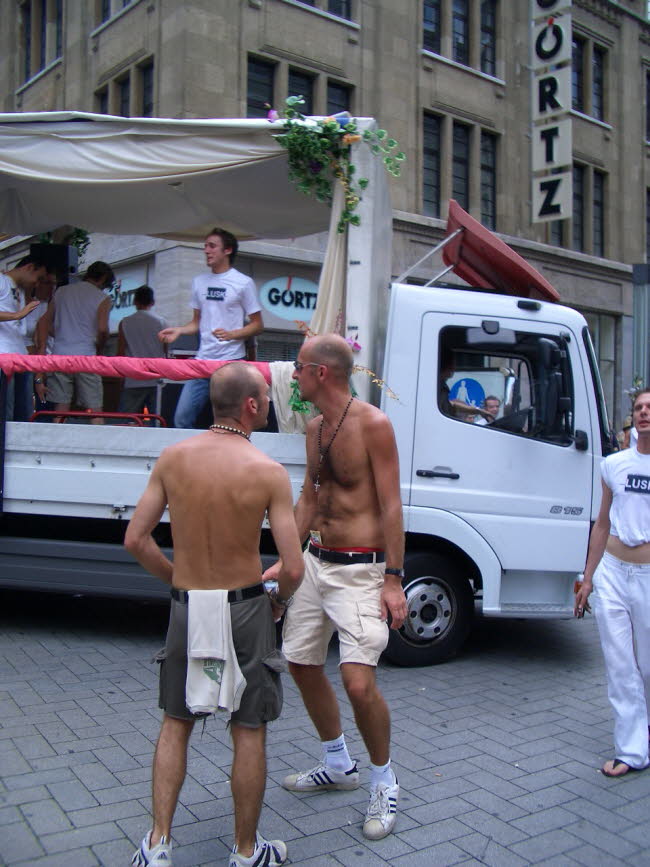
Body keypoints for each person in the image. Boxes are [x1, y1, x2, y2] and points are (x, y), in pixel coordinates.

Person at [125, 362, 303, 867]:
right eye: (267, 396)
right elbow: (292, 567)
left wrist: (177, 580)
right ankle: (246, 852)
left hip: (188, 604)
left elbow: (135, 540)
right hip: (245, 606)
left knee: (175, 721)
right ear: (250, 405)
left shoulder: (173, 457)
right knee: (248, 728)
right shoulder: (267, 472)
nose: (270, 403)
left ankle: (158, 844)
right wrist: (278, 601)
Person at [264, 334, 407, 841]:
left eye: (298, 368)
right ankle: (337, 762)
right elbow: (309, 497)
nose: (293, 376)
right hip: (314, 562)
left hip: (361, 570)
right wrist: (286, 561)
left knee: (358, 682)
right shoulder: (315, 426)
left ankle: (383, 780)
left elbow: (392, 506)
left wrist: (394, 579)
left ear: (321, 372)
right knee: (301, 662)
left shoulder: (373, 424)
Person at [575, 388, 650, 778]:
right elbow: (601, 523)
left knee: (648, 666)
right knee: (621, 665)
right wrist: (587, 578)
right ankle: (631, 749)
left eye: (649, 407)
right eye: (638, 407)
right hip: (614, 574)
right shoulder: (614, 465)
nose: (643, 413)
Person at [159, 228, 264, 429]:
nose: (206, 250)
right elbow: (197, 322)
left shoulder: (243, 283)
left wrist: (233, 334)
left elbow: (258, 325)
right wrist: (179, 331)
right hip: (202, 362)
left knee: (234, 421)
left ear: (228, 250)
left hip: (232, 363)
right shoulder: (199, 282)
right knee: (181, 418)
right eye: (205, 246)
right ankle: (190, 460)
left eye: (212, 246)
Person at [38, 261, 114, 423]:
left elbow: (45, 321)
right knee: (95, 408)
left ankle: (57, 441)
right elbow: (102, 329)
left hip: (59, 355)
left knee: (61, 407)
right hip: (86, 356)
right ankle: (98, 444)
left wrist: (59, 335)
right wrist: (100, 346)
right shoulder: (102, 298)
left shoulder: (61, 291)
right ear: (103, 279)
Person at [0, 255, 48, 420]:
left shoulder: (19, 289)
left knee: (23, 412)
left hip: (20, 357)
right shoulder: (2, 280)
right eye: (38, 278)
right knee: (6, 411)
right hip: (4, 355)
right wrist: (17, 315)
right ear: (29, 267)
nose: (37, 284)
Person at [117, 285, 168, 415]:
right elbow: (166, 350)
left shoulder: (125, 322)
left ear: (135, 301)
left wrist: (121, 376)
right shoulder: (162, 323)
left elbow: (121, 352)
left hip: (133, 378)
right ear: (152, 302)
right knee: (155, 421)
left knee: (126, 421)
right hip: (156, 378)